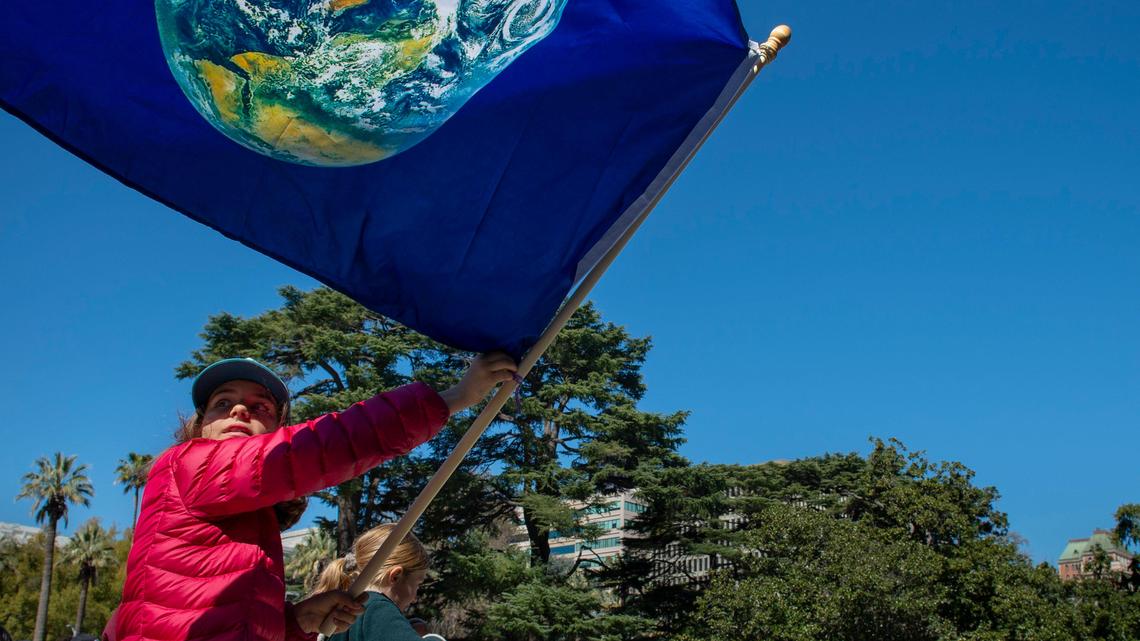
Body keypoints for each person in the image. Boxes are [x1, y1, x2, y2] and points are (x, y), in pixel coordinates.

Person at [116, 354, 515, 641]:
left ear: (274, 428)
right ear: (201, 425)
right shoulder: (189, 464)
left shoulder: (248, 522)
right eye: (223, 403)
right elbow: (320, 446)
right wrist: (453, 398)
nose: (239, 409)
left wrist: (296, 622)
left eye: (260, 406)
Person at [315, 524, 437, 641]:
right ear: (395, 577)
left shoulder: (340, 617)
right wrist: (428, 637)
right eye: (417, 585)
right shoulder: (377, 608)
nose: (415, 598)